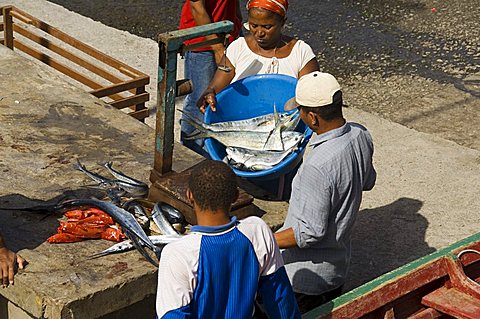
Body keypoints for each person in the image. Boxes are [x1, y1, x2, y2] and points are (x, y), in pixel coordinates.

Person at [274, 72, 377, 313]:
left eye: (300, 111)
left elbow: (310, 233)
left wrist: (264, 241)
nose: (299, 115)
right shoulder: (361, 134)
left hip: (306, 281)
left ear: (312, 117)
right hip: (338, 268)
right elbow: (368, 180)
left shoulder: (317, 166)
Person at [156, 160, 300, 318]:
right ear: (236, 197)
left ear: (189, 195)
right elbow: (280, 299)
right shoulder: (258, 231)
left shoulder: (177, 254)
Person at [198, 0, 320, 113]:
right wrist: (210, 92)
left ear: (282, 22)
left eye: (267, 27)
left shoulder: (301, 52)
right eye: (254, 26)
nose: (259, 33)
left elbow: (313, 94)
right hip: (242, 114)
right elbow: (217, 84)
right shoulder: (238, 48)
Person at [180, 0, 243, 155]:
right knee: (199, 100)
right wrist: (217, 48)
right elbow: (197, 7)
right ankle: (190, 151)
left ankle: (214, 149)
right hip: (201, 41)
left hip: (228, 34)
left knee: (224, 97)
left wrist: (238, 23)